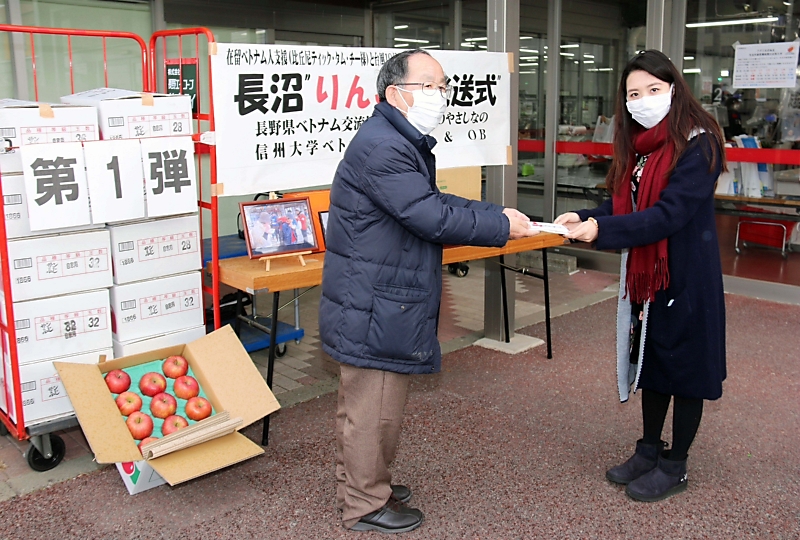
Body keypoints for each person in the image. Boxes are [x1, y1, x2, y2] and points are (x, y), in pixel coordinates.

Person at [319, 49, 537, 534]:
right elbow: (429, 216)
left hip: (376, 291)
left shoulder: (396, 140)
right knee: (372, 408)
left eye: (443, 86)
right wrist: (501, 226)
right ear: (396, 93)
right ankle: (363, 503)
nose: (442, 95)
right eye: (431, 85)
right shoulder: (384, 146)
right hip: (372, 298)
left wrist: (497, 212)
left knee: (374, 406)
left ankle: (364, 481)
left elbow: (432, 200)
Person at [555, 50, 727, 503]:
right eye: (634, 93)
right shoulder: (642, 146)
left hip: (686, 276)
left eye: (653, 89)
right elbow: (626, 203)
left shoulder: (699, 142)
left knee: (687, 372)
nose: (643, 100)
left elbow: (667, 214)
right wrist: (587, 215)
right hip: (649, 278)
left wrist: (602, 231)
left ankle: (676, 464)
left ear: (674, 88)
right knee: (652, 362)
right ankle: (649, 449)